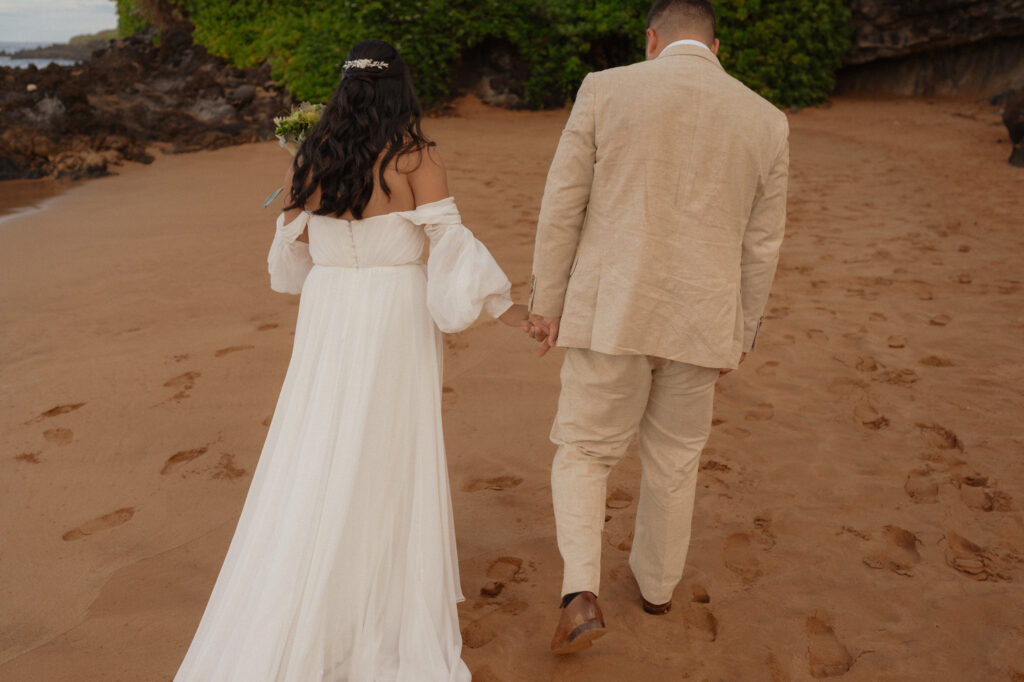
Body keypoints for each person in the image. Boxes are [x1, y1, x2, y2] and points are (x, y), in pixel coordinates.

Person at [174, 40, 530, 681]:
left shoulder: (311, 155)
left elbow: (288, 268)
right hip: (393, 311)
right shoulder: (416, 157)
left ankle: (314, 577)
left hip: (330, 310)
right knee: (389, 447)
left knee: (318, 439)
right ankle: (377, 594)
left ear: (343, 92)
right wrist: (508, 310)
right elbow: (448, 246)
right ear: (400, 92)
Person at [528, 0, 790, 653]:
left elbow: (563, 202)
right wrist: (742, 331)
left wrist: (547, 300)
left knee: (586, 450)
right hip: (702, 318)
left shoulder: (605, 89)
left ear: (652, 39)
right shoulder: (766, 119)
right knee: (674, 459)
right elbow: (764, 244)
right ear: (717, 48)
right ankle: (656, 588)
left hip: (611, 309)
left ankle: (580, 590)